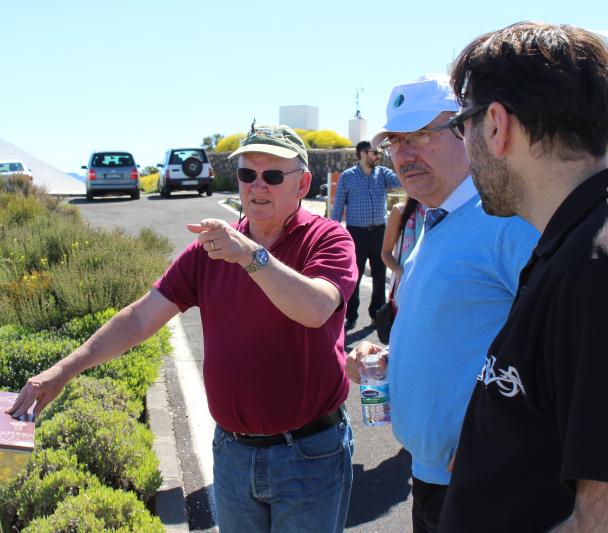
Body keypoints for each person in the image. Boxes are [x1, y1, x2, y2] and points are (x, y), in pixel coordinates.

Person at [7, 124, 358, 533]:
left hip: (309, 456)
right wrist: (62, 371)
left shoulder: (327, 240)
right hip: (233, 455)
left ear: (303, 184)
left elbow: (315, 308)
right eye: (248, 175)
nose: (257, 186)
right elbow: (140, 318)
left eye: (273, 176)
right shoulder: (209, 250)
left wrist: (249, 256)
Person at [346, 74, 539, 533]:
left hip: (482, 484)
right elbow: (460, 332)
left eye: (420, 136)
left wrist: (503, 442)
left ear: (465, 131)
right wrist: (392, 358)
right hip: (432, 476)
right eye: (396, 141)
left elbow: (564, 349)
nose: (404, 154)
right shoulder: (436, 221)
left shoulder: (506, 222)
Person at [437, 22, 608, 533]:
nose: (464, 146)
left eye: (459, 125)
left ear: (495, 125)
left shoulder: (590, 269)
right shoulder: (574, 241)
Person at [331, 140, 401, 331]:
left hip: (380, 232)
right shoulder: (348, 176)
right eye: (375, 153)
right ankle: (351, 315)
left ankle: (377, 314)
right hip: (357, 233)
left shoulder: (383, 174)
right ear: (362, 153)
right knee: (355, 275)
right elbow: (338, 206)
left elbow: (401, 182)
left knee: (379, 276)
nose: (378, 156)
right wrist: (333, 231)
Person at [381, 195, 425, 295]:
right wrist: (400, 272)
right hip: (403, 288)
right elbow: (386, 252)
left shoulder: (443, 212)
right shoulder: (400, 211)